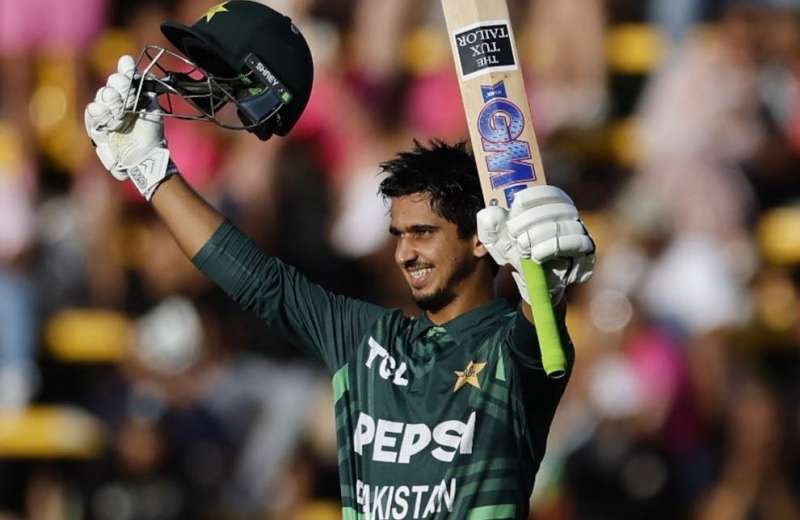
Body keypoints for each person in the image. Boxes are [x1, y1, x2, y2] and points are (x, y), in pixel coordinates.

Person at [83, 2, 596, 518]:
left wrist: (545, 287)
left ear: (480, 239)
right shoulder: (364, 339)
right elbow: (256, 279)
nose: (405, 253)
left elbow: (541, 336)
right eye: (399, 234)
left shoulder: (511, 352)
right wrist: (151, 170)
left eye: (423, 233)